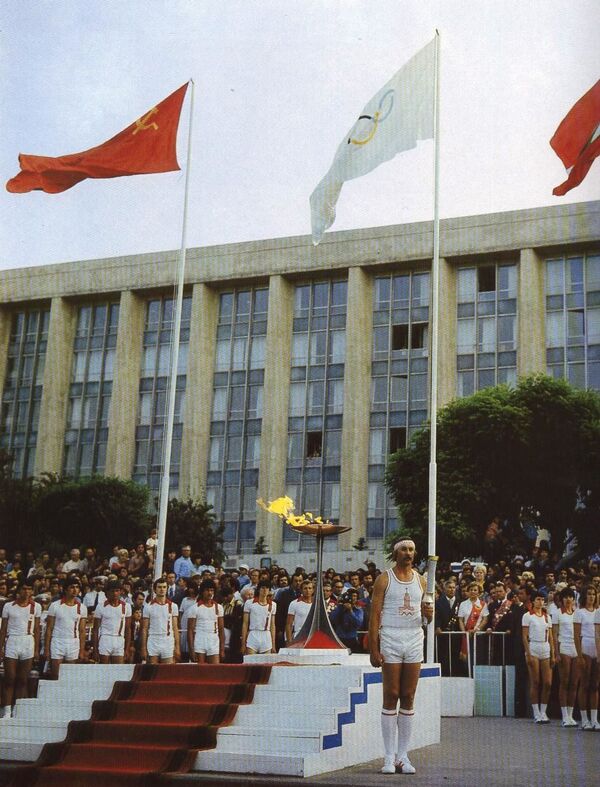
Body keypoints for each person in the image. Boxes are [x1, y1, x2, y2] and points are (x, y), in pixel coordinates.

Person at [368, 538, 433, 775]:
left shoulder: (422, 580)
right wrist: (373, 648)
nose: (408, 553)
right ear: (396, 553)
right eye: (404, 549)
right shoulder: (384, 579)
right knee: (391, 694)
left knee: (408, 694)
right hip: (391, 637)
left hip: (414, 637)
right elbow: (375, 615)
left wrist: (429, 613)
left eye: (412, 549)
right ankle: (388, 756)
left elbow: (427, 618)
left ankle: (403, 756)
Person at [0, 580, 41, 720]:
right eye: (24, 589)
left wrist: (36, 650)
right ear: (18, 591)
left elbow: (37, 629)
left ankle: (18, 711)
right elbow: (3, 629)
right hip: (12, 640)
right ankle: (6, 711)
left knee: (22, 679)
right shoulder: (8, 606)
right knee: (10, 678)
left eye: (29, 589)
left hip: (28, 641)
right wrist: (0, 648)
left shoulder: (36, 606)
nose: (26, 592)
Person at [45, 577, 87, 680]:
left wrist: (82, 650)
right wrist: (47, 649)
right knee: (55, 675)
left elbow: (82, 631)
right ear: (65, 589)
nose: (75, 590)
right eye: (72, 587)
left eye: (77, 587)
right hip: (57, 641)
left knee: (70, 676)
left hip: (73, 642)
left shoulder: (82, 607)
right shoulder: (55, 606)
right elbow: (49, 629)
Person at [522, 589, 554, 723]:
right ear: (533, 601)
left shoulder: (547, 617)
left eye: (542, 600)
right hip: (533, 647)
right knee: (535, 682)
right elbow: (524, 636)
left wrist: (553, 654)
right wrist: (528, 654)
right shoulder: (527, 616)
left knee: (547, 683)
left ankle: (543, 712)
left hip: (545, 648)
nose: (540, 602)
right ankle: (536, 713)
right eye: (538, 599)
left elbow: (551, 637)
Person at [552, 586, 581, 727]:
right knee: (564, 681)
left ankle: (570, 715)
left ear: (573, 599)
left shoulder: (577, 613)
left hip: (576, 649)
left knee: (574, 683)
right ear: (561, 599)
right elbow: (554, 634)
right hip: (564, 647)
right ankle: (564, 716)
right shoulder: (557, 613)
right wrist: (556, 653)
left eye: (570, 597)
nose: (568, 599)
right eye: (565, 597)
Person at [574, 584, 598, 730]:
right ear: (584, 596)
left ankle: (594, 719)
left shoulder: (598, 612)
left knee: (595, 685)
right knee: (585, 684)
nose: (591, 597)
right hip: (585, 646)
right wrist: (579, 656)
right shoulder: (579, 612)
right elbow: (576, 635)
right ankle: (584, 719)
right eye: (589, 594)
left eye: (593, 594)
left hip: (597, 646)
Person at [140, 578, 180, 664]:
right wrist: (143, 648)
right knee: (152, 669)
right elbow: (144, 629)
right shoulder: (148, 606)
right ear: (155, 589)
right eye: (159, 587)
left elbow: (175, 628)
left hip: (168, 640)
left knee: (168, 669)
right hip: (153, 640)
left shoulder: (173, 606)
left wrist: (177, 647)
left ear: (167, 589)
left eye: (164, 587)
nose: (162, 589)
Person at [92, 580, 132, 665]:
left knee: (118, 669)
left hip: (119, 639)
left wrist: (127, 649)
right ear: (107, 592)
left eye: (117, 591)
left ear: (120, 592)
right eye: (112, 591)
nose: (115, 593)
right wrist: (95, 650)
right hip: (105, 639)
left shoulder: (127, 606)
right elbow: (95, 630)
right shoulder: (100, 606)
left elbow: (128, 629)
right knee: (104, 669)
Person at [187, 579, 224, 664]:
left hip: (213, 640)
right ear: (202, 592)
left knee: (215, 669)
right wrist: (191, 650)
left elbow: (221, 629)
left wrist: (222, 649)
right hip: (199, 640)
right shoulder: (194, 608)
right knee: (200, 669)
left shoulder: (219, 607)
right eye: (207, 590)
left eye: (212, 590)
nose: (210, 593)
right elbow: (190, 631)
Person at [241, 579, 276, 655]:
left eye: (267, 588)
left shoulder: (273, 604)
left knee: (266, 662)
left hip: (266, 635)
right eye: (263, 588)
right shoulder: (249, 603)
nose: (265, 590)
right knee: (251, 661)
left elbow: (272, 625)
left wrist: (273, 644)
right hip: (253, 634)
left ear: (269, 590)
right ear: (259, 589)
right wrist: (243, 643)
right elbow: (245, 623)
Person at [286, 579, 314, 644]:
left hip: (313, 636)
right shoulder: (294, 603)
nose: (308, 590)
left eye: (310, 588)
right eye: (305, 588)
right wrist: (289, 641)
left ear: (313, 590)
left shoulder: (317, 604)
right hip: (299, 636)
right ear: (301, 590)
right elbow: (289, 624)